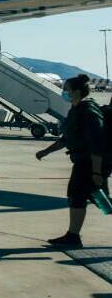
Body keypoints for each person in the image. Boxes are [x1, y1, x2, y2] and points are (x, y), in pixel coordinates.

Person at [36, 74, 108, 248]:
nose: (63, 92)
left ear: (75, 92)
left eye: (65, 90)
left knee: (86, 198)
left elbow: (97, 144)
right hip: (83, 161)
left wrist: (97, 172)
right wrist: (46, 151)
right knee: (82, 198)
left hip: (91, 162)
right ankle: (73, 236)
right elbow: (66, 138)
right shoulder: (75, 110)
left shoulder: (88, 112)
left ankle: (73, 236)